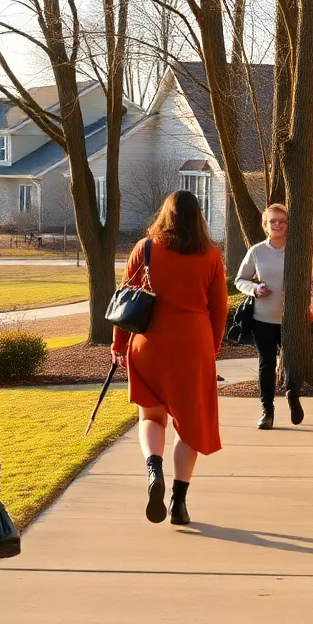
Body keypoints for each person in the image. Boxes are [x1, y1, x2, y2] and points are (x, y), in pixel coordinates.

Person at [112, 191, 228, 526]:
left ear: (166, 213)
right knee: (189, 426)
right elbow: (219, 308)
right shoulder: (210, 256)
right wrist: (213, 347)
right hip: (193, 343)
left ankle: (153, 470)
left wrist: (119, 344)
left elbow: (124, 301)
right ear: (198, 217)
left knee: (150, 417)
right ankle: (178, 501)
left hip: (150, 343)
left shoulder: (145, 249)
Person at [234, 204, 313, 430]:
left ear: (288, 225)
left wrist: (310, 304)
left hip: (292, 320)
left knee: (294, 362)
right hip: (262, 318)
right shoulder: (257, 251)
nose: (277, 225)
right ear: (265, 225)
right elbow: (240, 280)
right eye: (273, 221)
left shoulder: (299, 251)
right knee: (267, 363)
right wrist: (255, 289)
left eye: (282, 221)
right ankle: (267, 412)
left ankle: (293, 394)